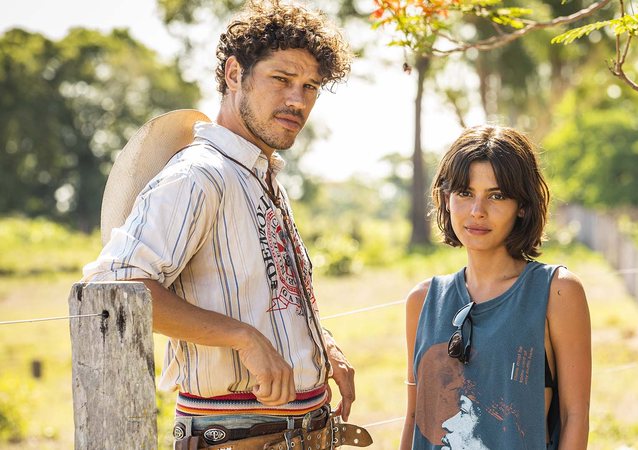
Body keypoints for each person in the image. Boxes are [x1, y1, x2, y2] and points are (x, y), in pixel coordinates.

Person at [83, 1, 371, 448]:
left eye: (310, 86)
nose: (298, 100)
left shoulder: (264, 177)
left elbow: (264, 295)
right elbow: (115, 289)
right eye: (281, 79)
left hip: (305, 433)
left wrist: (320, 344)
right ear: (235, 74)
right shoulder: (199, 175)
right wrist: (243, 338)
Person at [400, 125, 592, 449]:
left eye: (497, 195)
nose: (477, 211)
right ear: (446, 200)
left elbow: (575, 416)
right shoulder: (422, 301)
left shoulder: (557, 292)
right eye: (464, 193)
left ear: (523, 206)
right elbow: (414, 418)